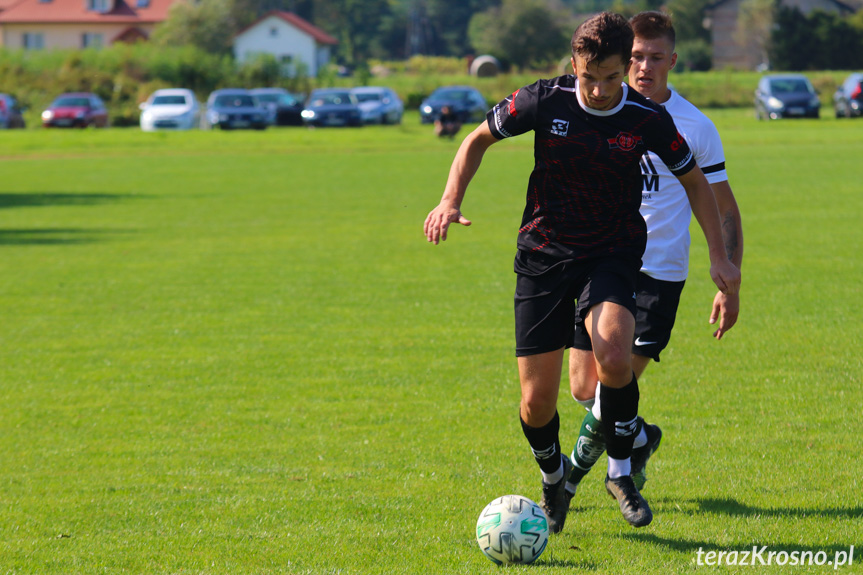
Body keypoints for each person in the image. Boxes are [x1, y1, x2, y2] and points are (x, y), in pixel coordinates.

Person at [423, 12, 740, 532]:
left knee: (614, 354)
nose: (598, 89)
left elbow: (694, 182)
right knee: (537, 400)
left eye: (611, 78)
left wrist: (720, 257)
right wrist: (449, 199)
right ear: (575, 64)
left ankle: (620, 473)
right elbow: (476, 139)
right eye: (589, 77)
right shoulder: (542, 99)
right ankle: (553, 479)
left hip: (612, 254)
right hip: (544, 257)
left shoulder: (646, 118)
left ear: (624, 68)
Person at [565, 11, 744, 506]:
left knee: (607, 388)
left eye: (655, 57)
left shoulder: (694, 127)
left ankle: (567, 481)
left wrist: (730, 280)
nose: (644, 66)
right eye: (636, 57)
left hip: (657, 275)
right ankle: (641, 438)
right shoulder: (597, 106)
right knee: (584, 389)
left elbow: (725, 208)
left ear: (673, 60)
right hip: (599, 264)